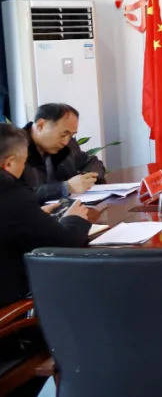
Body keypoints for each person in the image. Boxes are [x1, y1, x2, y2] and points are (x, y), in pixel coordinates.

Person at [0, 123, 92, 397]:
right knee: (76, 317)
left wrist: (34, 215)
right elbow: (64, 242)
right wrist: (74, 219)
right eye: (22, 163)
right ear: (9, 163)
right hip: (7, 330)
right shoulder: (10, 194)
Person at [21, 103, 106, 204]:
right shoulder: (13, 149)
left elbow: (92, 161)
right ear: (41, 125)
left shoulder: (67, 144)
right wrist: (65, 187)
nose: (66, 142)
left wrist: (85, 178)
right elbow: (15, 197)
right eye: (63, 134)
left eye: (71, 135)